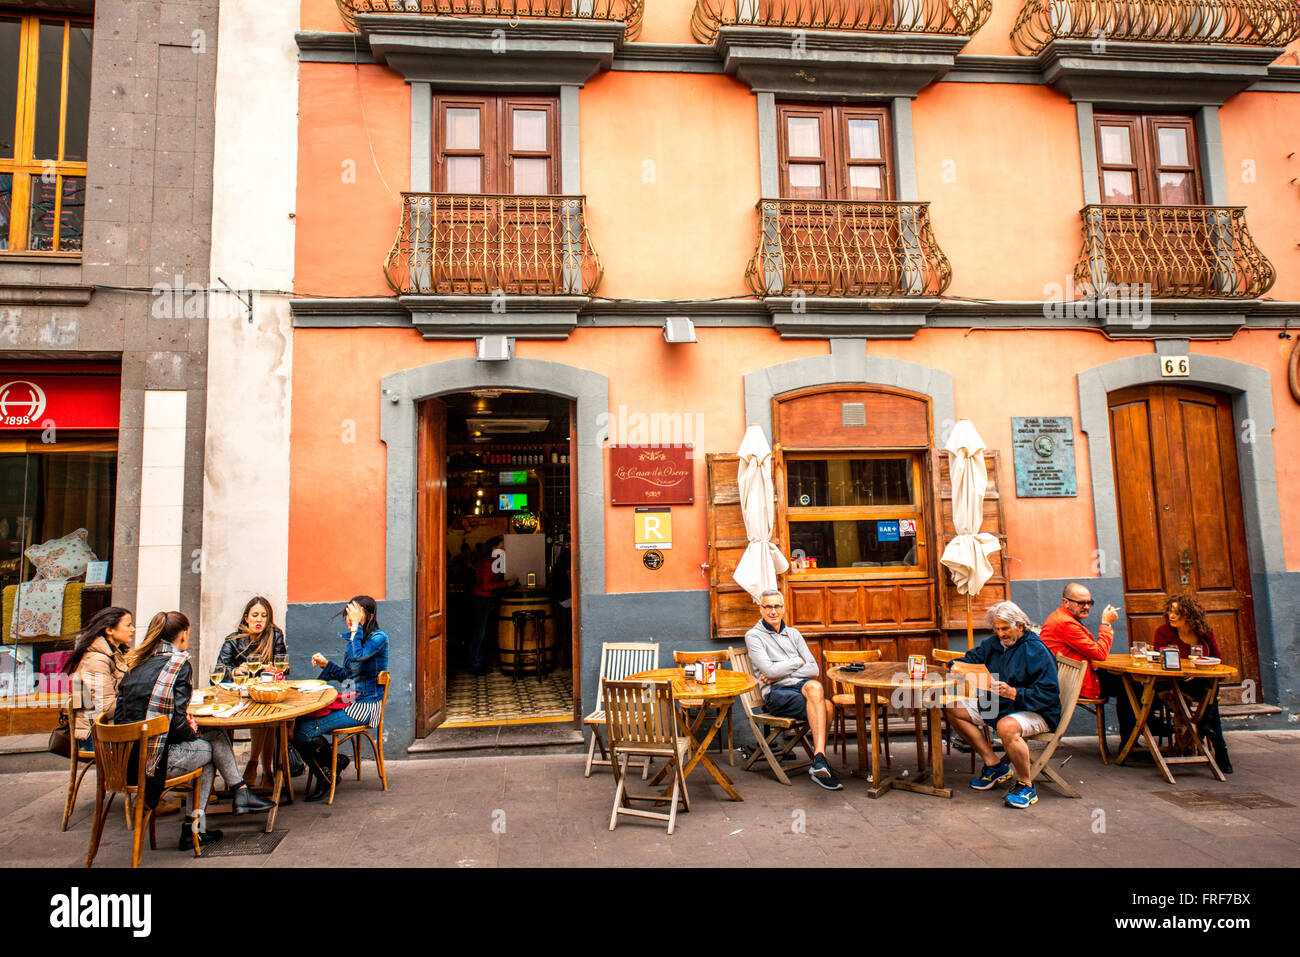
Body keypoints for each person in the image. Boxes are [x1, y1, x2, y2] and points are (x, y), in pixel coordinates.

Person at [113, 611, 273, 849]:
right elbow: (176, 724)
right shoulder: (178, 664)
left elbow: (122, 716)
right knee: (210, 751)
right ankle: (205, 819)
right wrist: (194, 735)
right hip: (153, 762)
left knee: (213, 739)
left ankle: (231, 800)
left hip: (123, 760)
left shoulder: (136, 664)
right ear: (184, 634)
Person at [944, 601, 1060, 809]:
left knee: (1006, 726)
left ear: (1021, 626)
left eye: (1005, 629)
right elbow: (971, 658)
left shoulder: (1036, 650)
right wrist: (956, 666)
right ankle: (995, 765)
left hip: (1036, 711)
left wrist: (1015, 692)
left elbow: (1049, 695)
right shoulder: (994, 644)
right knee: (954, 709)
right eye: (997, 629)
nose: (1001, 634)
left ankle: (1026, 785)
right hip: (1000, 706)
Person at [743, 589, 842, 790]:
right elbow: (768, 671)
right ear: (760, 609)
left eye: (777, 606)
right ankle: (820, 762)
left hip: (795, 686)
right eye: (768, 606)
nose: (773, 611)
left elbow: (813, 668)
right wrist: (797, 661)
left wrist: (779, 673)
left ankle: (819, 758)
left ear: (784, 608)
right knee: (828, 708)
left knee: (816, 688)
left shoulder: (793, 634)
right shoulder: (753, 636)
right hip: (776, 694)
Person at [293, 596, 389, 802]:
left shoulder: (379, 638)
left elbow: (358, 657)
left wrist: (355, 628)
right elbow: (348, 678)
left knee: (303, 731)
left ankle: (326, 775)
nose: (349, 618)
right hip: (351, 701)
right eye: (348, 614)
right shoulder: (354, 640)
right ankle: (334, 762)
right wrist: (326, 665)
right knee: (298, 723)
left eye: (354, 614)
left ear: (369, 616)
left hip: (365, 706)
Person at [1039, 582, 1136, 746]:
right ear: (1066, 602)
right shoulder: (1066, 623)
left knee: (1131, 683)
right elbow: (1099, 653)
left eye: (1089, 603)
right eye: (1081, 603)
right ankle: (1130, 743)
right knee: (1131, 687)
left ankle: (1134, 738)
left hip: (1076, 677)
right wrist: (1106, 624)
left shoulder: (1063, 618)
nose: (1086, 607)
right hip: (1079, 683)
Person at [1152, 593, 1232, 774]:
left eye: (1177, 612)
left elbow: (1217, 659)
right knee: (1211, 699)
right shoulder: (1164, 633)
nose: (1171, 616)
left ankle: (1206, 728)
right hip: (1173, 684)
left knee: (1211, 688)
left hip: (1198, 683)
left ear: (1189, 615)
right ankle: (1218, 746)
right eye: (1170, 611)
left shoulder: (1204, 634)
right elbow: (1159, 663)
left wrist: (1197, 672)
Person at [216, 597, 289, 787]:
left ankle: (258, 765)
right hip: (239, 697)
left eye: (264, 616)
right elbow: (218, 671)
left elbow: (285, 668)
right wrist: (234, 671)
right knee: (264, 722)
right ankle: (264, 769)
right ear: (246, 618)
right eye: (255, 615)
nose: (259, 620)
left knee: (268, 720)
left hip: (266, 694)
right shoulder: (233, 641)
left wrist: (276, 670)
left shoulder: (275, 636)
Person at [63, 607, 134, 751]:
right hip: (97, 736)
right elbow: (105, 709)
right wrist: (137, 699)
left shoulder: (116, 654)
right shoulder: (96, 661)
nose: (133, 629)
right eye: (128, 625)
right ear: (109, 630)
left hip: (109, 729)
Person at [466, 537, 515, 676]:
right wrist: (507, 584)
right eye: (501, 547)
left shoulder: (491, 562)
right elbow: (486, 586)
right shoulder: (488, 563)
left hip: (484, 598)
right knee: (480, 633)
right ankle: (474, 664)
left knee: (482, 632)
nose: (504, 549)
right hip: (482, 599)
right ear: (493, 549)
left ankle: (478, 663)